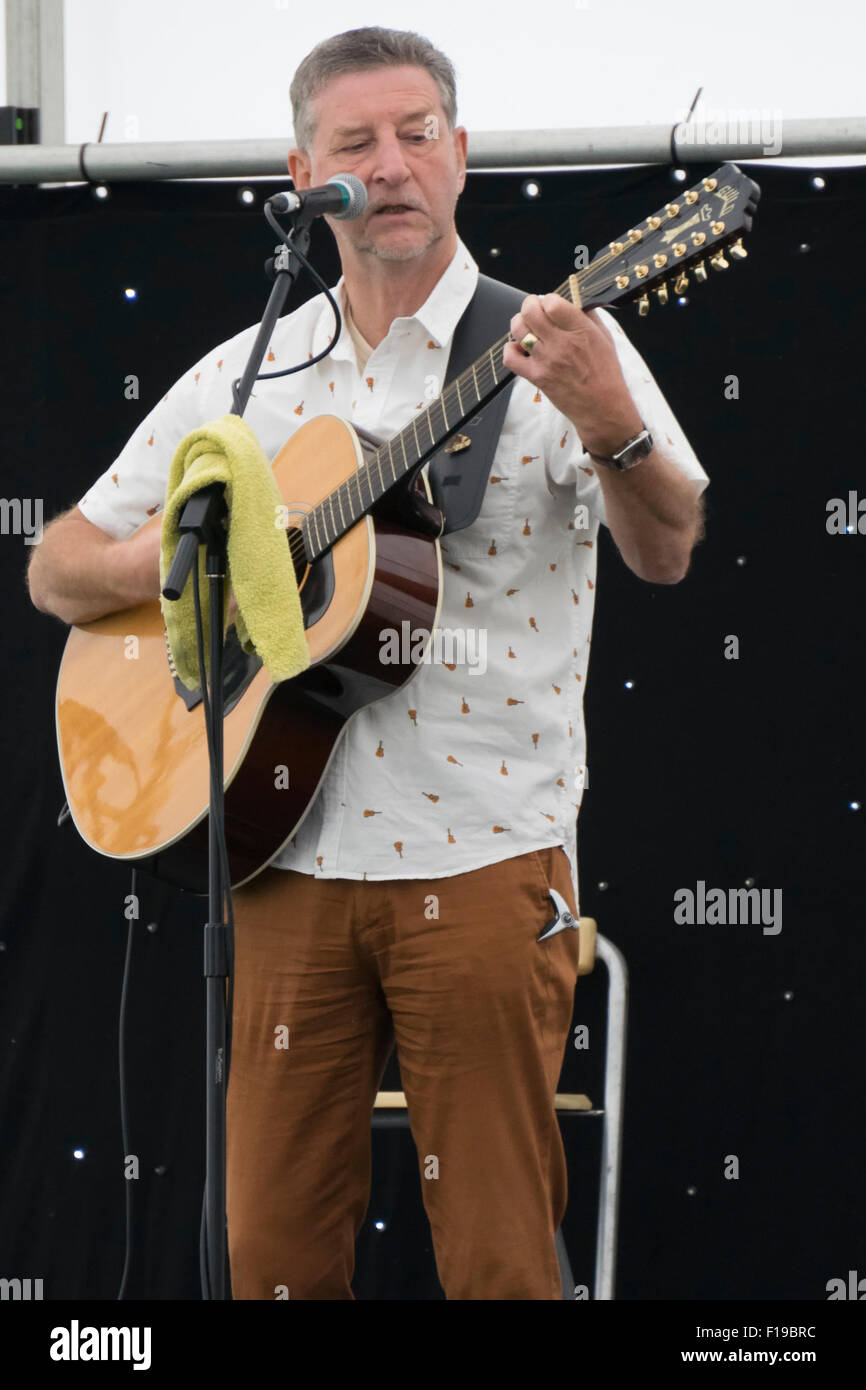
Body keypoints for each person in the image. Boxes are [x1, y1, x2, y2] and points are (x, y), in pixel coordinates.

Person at [28, 27, 708, 1299]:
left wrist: (610, 423)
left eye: (415, 136)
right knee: (270, 1259)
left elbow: (667, 548)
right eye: (355, 145)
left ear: (460, 156)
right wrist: (195, 565)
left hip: (483, 856)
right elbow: (56, 566)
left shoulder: (552, 344)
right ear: (304, 173)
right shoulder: (247, 372)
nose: (389, 166)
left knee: (500, 1257)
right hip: (281, 861)